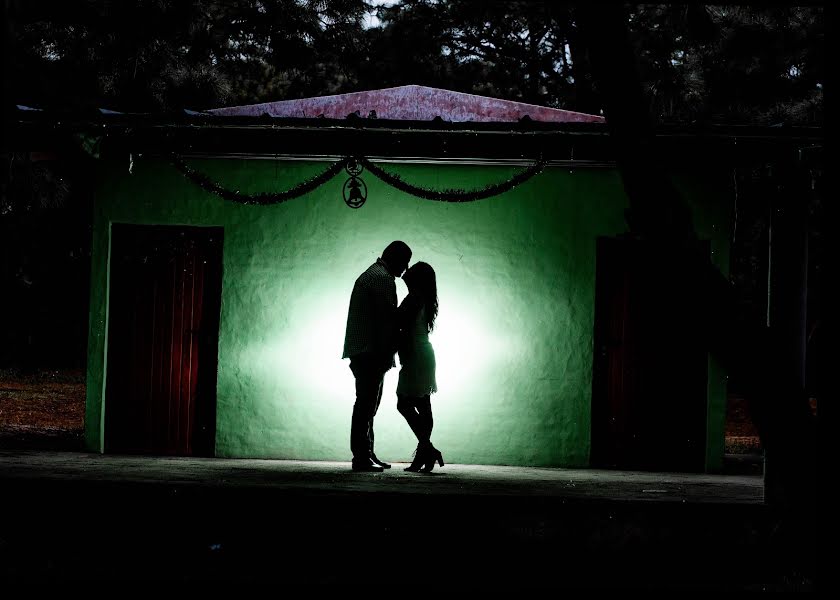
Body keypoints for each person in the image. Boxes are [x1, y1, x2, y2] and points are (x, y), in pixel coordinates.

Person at [342, 241, 412, 472]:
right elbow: (387, 320)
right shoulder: (382, 279)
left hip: (363, 351)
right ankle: (361, 457)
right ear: (396, 259)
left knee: (367, 404)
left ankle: (366, 454)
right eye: (404, 263)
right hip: (371, 352)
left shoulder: (373, 274)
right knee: (366, 405)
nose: (405, 269)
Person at [395, 262, 444, 472]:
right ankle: (426, 451)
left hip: (415, 356)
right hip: (423, 354)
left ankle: (427, 449)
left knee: (404, 404)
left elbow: (397, 320)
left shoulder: (414, 298)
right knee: (424, 405)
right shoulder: (425, 298)